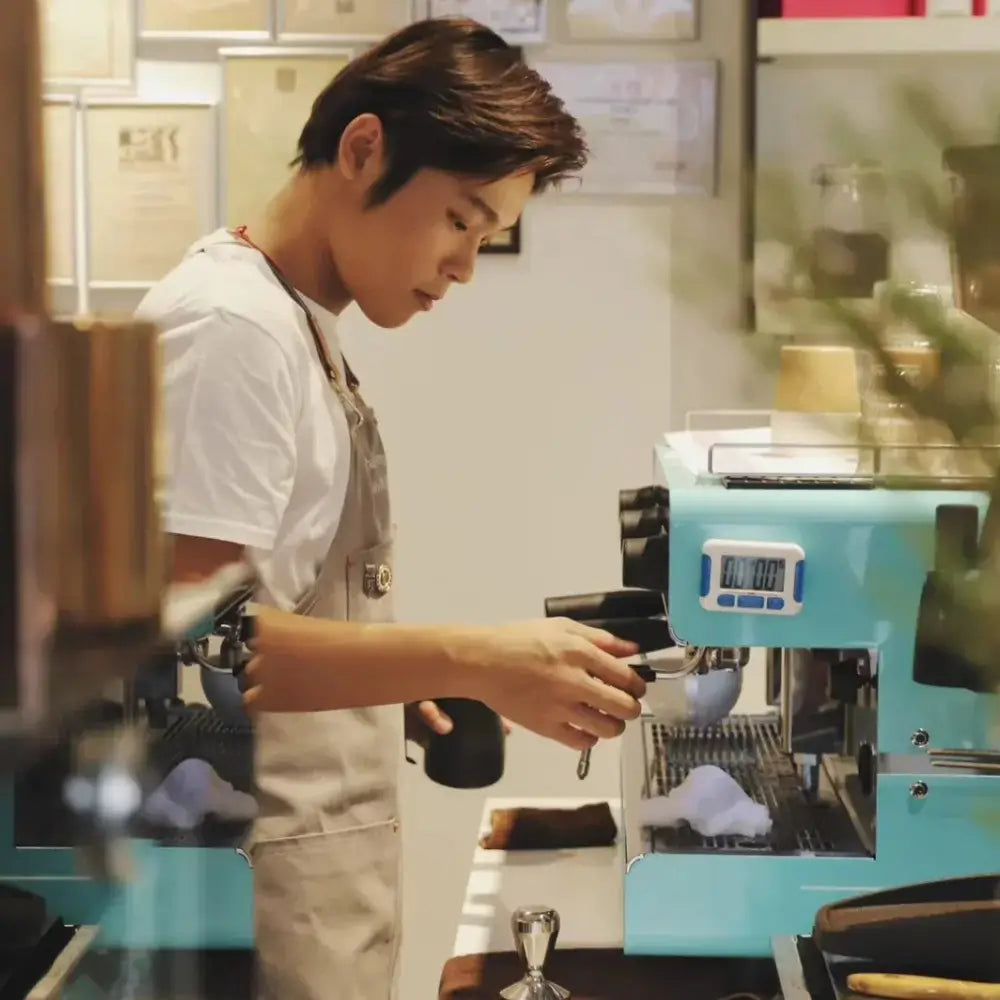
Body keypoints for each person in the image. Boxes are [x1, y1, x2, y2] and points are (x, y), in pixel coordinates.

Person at [137, 17, 646, 1000]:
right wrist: (471, 655)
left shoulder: (295, 323)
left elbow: (269, 604)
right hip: (248, 903)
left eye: (487, 236)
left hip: (309, 876)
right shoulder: (228, 328)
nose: (463, 266)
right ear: (363, 147)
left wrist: (398, 678)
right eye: (460, 219)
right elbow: (196, 651)